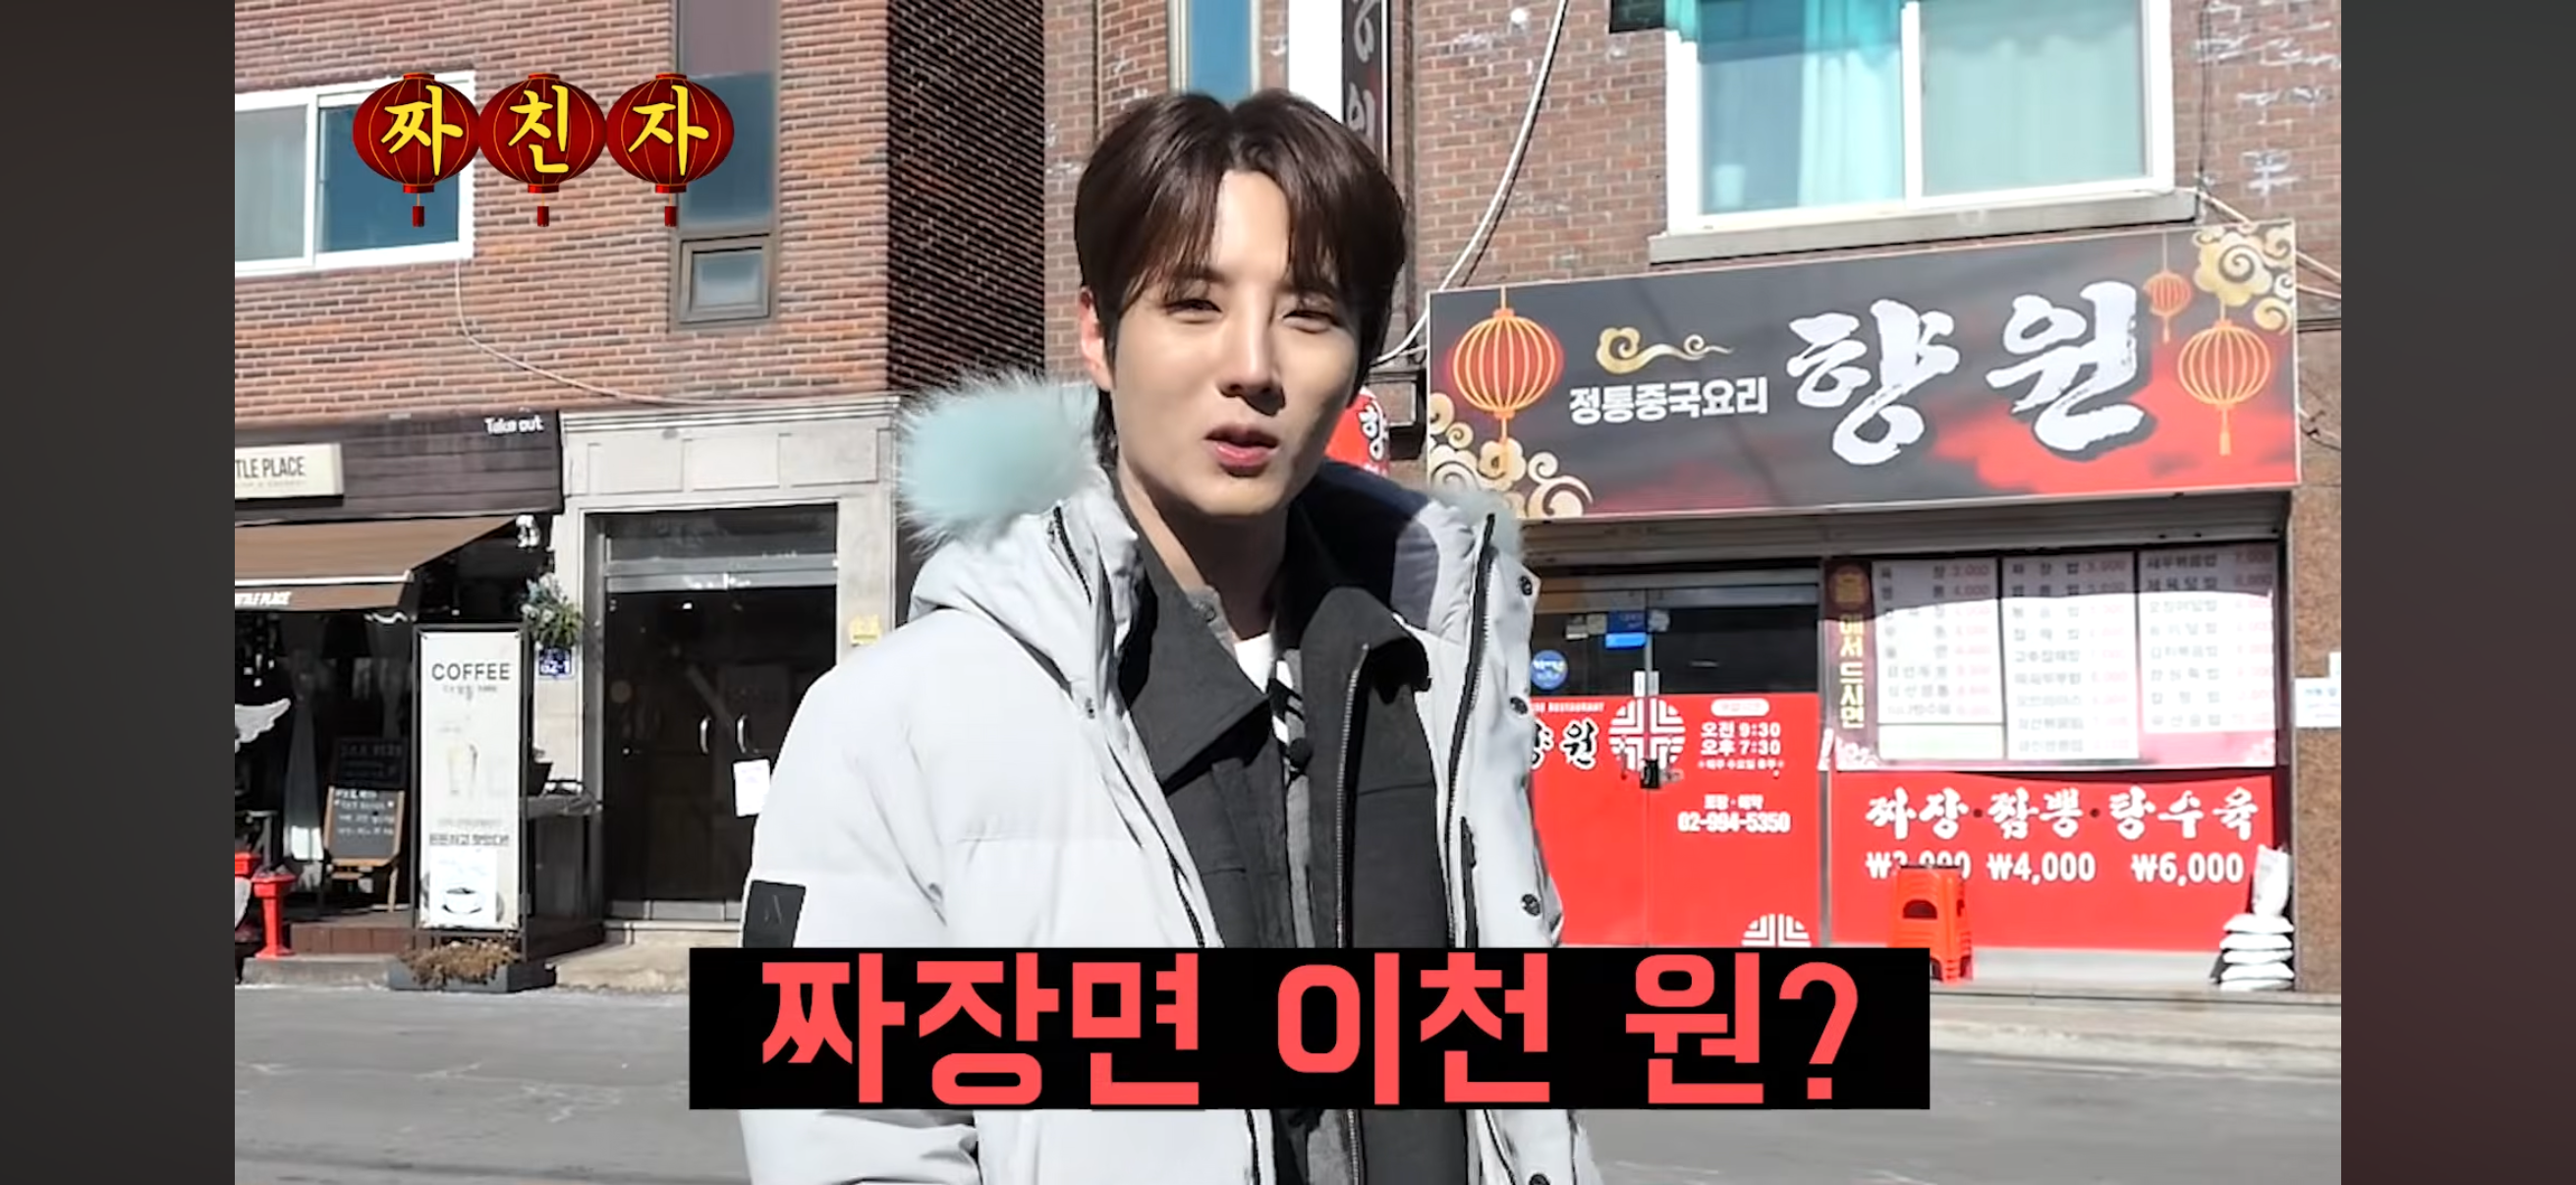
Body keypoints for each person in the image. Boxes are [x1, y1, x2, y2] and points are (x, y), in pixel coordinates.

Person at [737, 87, 1599, 1185]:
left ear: (1359, 357)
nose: (1252, 365)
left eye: (1310, 313)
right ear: (1099, 334)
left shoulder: (1437, 682)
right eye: (1193, 304)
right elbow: (849, 1141)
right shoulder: (891, 725)